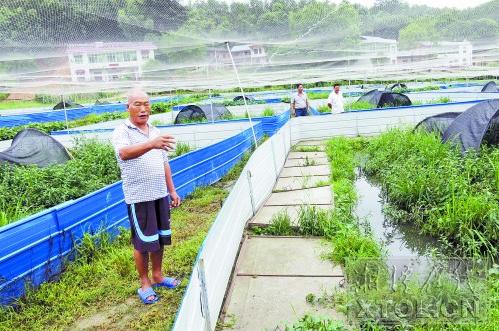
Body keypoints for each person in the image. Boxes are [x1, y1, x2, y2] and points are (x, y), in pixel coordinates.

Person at [112, 89, 181, 305]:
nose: (143, 109)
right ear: (128, 107)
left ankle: (158, 275)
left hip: (159, 193)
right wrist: (151, 143)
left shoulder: (155, 130)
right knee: (142, 242)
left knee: (159, 237)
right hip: (139, 196)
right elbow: (124, 153)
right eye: (137, 104)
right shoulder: (122, 131)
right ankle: (144, 283)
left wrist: (172, 190)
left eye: (147, 104)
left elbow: (164, 163)